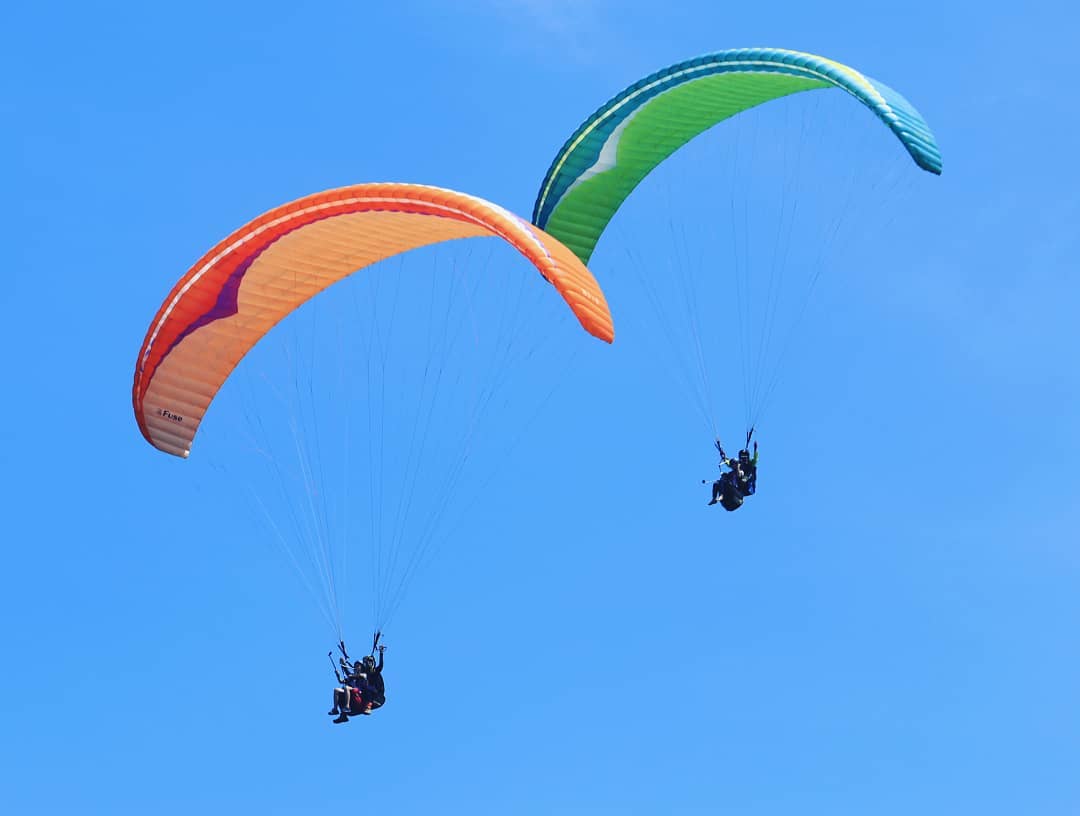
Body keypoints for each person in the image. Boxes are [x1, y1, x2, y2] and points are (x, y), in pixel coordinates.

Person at [706, 439, 758, 512]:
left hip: (739, 497)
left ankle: (721, 496)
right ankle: (715, 498)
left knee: (734, 478)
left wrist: (755, 450)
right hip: (728, 500)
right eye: (742, 458)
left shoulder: (747, 468)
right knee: (718, 482)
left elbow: (754, 461)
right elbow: (727, 461)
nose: (743, 460)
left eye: (745, 458)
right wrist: (721, 451)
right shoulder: (731, 473)